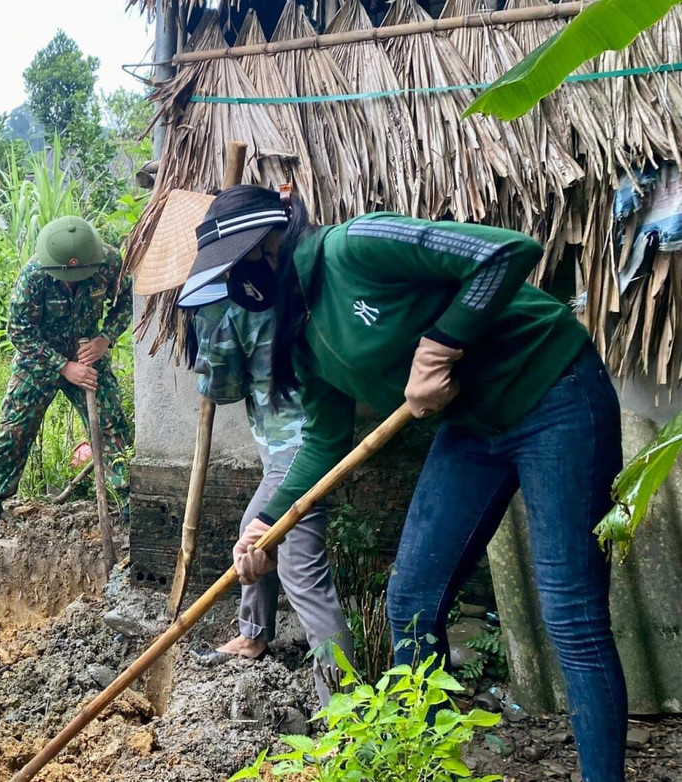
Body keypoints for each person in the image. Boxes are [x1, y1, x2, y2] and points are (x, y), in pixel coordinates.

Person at [199, 185, 625, 782]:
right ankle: (420, 764)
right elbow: (324, 442)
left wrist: (441, 344)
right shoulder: (302, 337)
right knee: (412, 601)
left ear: (267, 250)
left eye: (238, 269)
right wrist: (267, 523)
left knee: (570, 613)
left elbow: (507, 252)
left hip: (554, 391)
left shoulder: (355, 246)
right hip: (473, 429)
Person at [177, 244, 353, 704]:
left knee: (300, 569)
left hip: (301, 448)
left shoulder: (236, 301)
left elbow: (225, 387)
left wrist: (208, 346)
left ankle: (344, 708)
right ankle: (253, 636)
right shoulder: (282, 289)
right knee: (250, 532)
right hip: (289, 444)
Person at [0, 216, 134, 541]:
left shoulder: (110, 263)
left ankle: (132, 500)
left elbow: (129, 302)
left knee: (111, 425)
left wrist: (105, 339)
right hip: (39, 358)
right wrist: (63, 367)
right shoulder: (34, 275)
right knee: (14, 429)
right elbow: (19, 331)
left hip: (88, 353)